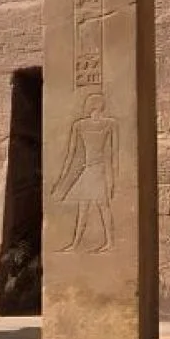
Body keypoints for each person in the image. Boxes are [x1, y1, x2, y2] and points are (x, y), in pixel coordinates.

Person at [52, 94, 118, 253]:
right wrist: (62, 176)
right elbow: (72, 153)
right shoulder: (84, 125)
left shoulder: (106, 124)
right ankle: (77, 243)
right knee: (88, 206)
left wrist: (113, 179)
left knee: (101, 205)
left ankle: (108, 242)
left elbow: (114, 153)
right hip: (91, 169)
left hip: (96, 169)